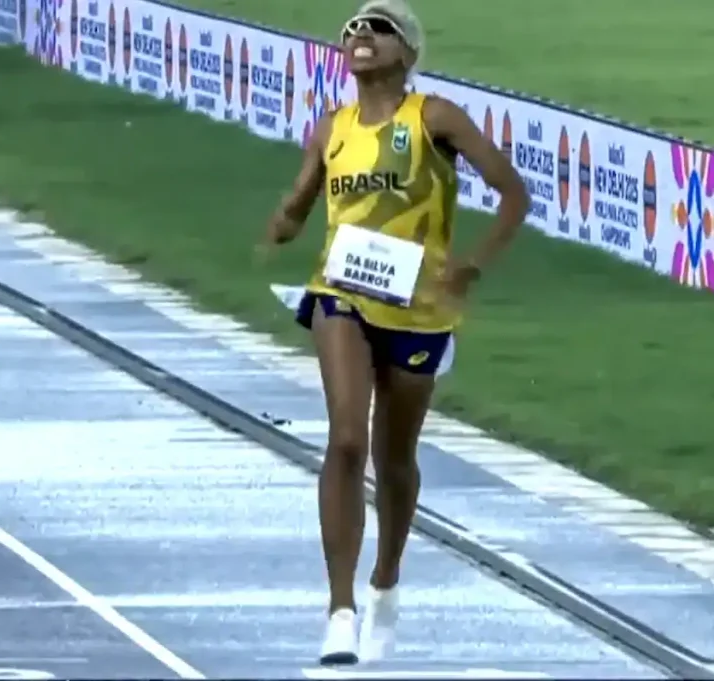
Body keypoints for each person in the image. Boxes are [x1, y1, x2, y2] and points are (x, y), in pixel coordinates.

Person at [263, 0, 528, 666]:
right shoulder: (331, 129)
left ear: (407, 51)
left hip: (418, 306)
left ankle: (384, 581)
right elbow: (301, 198)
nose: (361, 36)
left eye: (378, 29)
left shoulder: (434, 118)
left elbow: (512, 192)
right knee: (347, 438)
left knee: (396, 458)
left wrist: (472, 263)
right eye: (354, 28)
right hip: (340, 292)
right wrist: (288, 219)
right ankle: (339, 610)